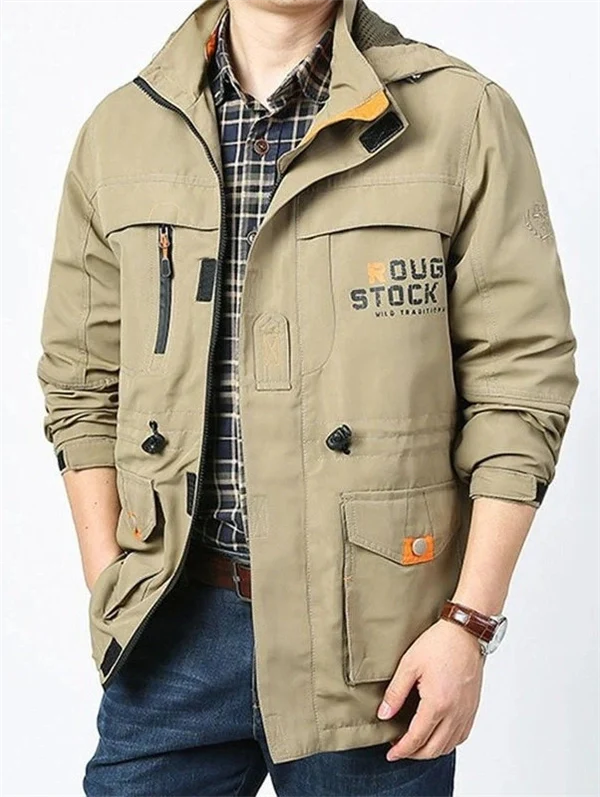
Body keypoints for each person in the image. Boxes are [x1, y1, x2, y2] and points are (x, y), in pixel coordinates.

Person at [36, 0, 579, 794]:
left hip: (380, 649)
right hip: (174, 632)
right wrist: (111, 579)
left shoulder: (462, 116)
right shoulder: (122, 130)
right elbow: (81, 379)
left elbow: (521, 382)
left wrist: (468, 623)